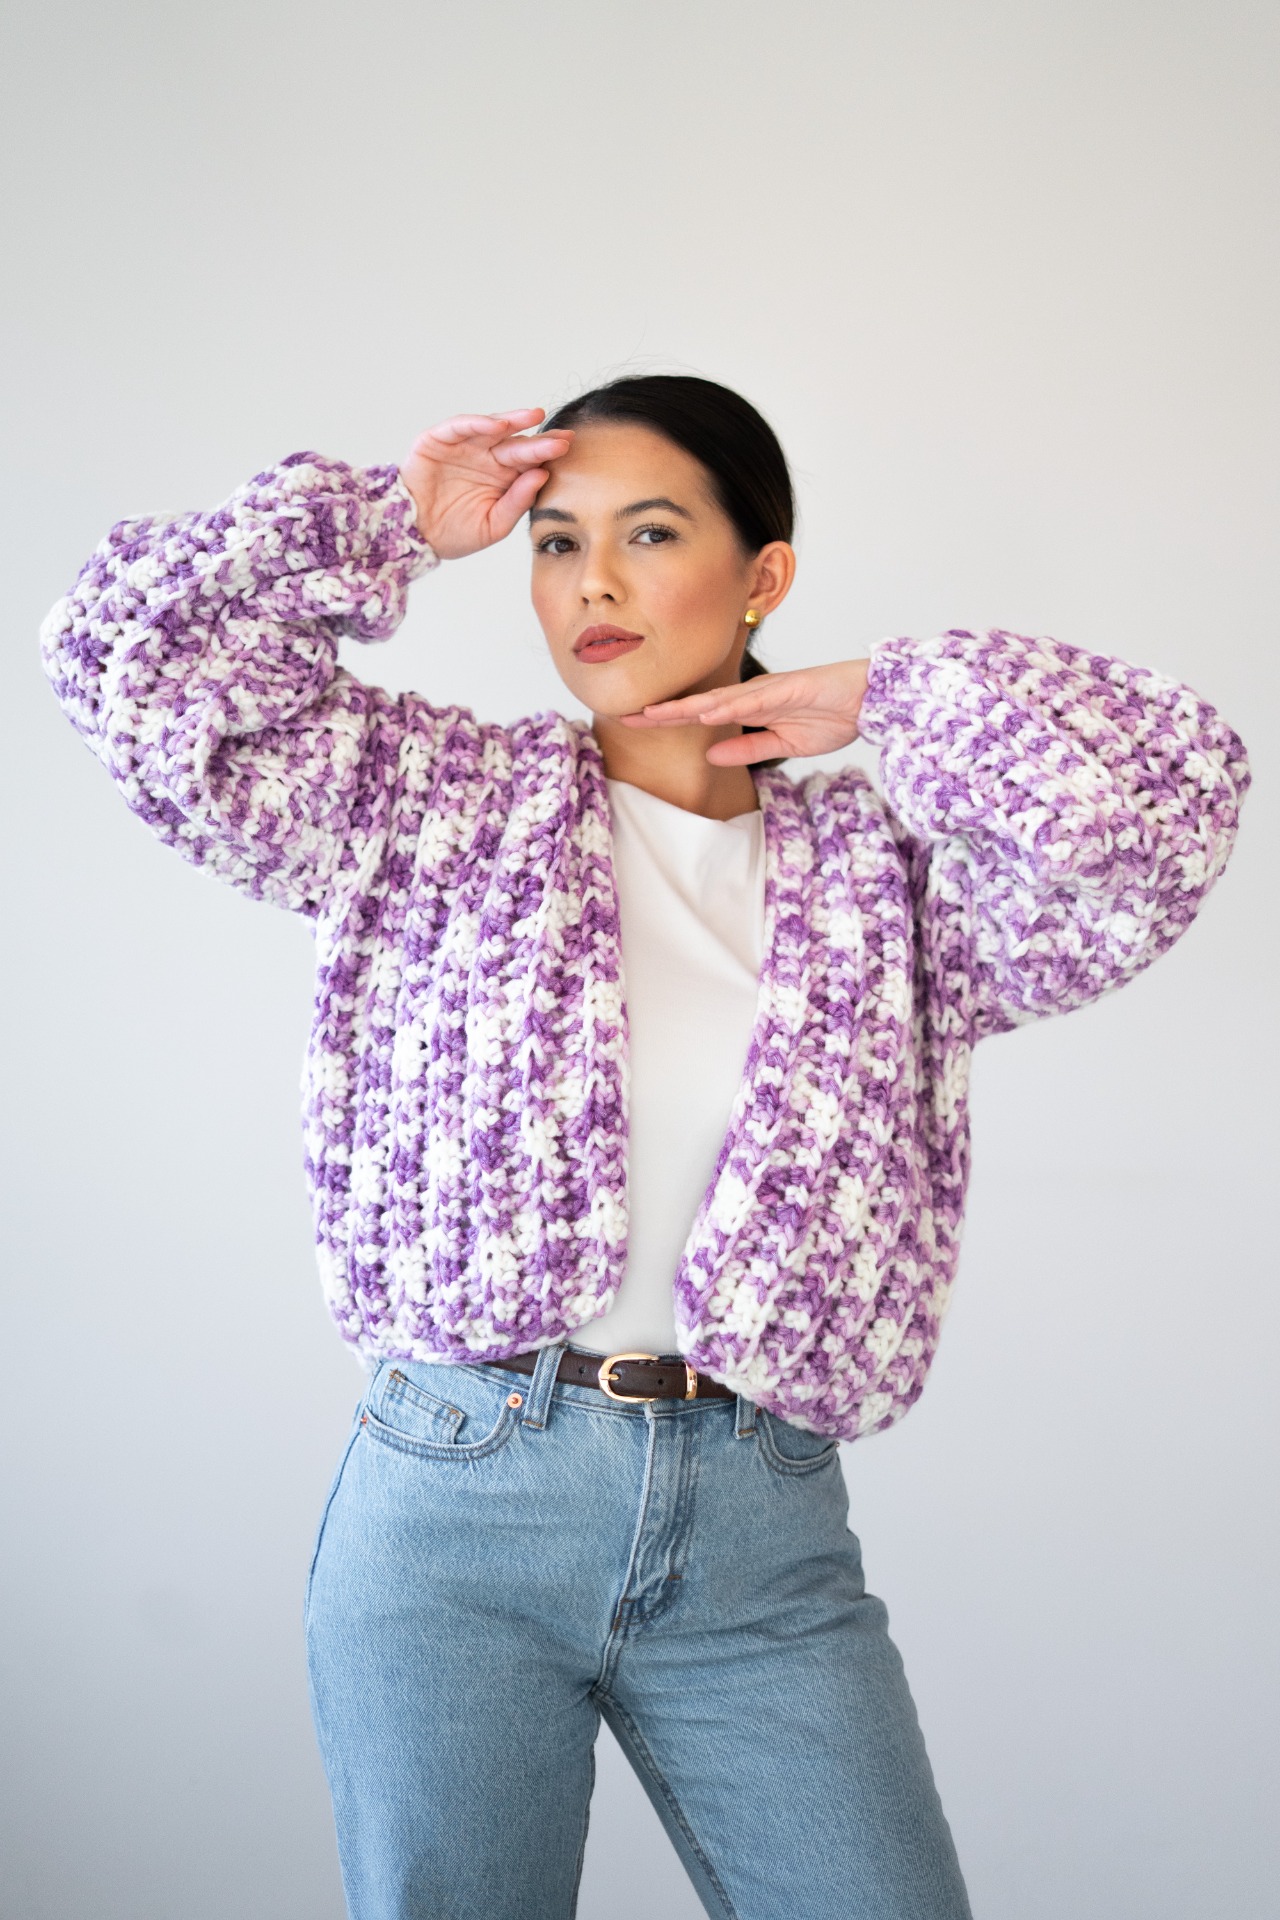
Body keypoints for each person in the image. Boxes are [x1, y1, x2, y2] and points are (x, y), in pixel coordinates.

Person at [41, 375, 1248, 1920]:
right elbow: (122, 657)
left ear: (764, 575)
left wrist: (893, 699)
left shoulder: (890, 886)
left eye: (652, 533)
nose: (592, 583)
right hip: (463, 1504)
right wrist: (387, 520)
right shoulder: (426, 806)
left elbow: (1167, 808)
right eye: (558, 542)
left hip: (763, 1532)